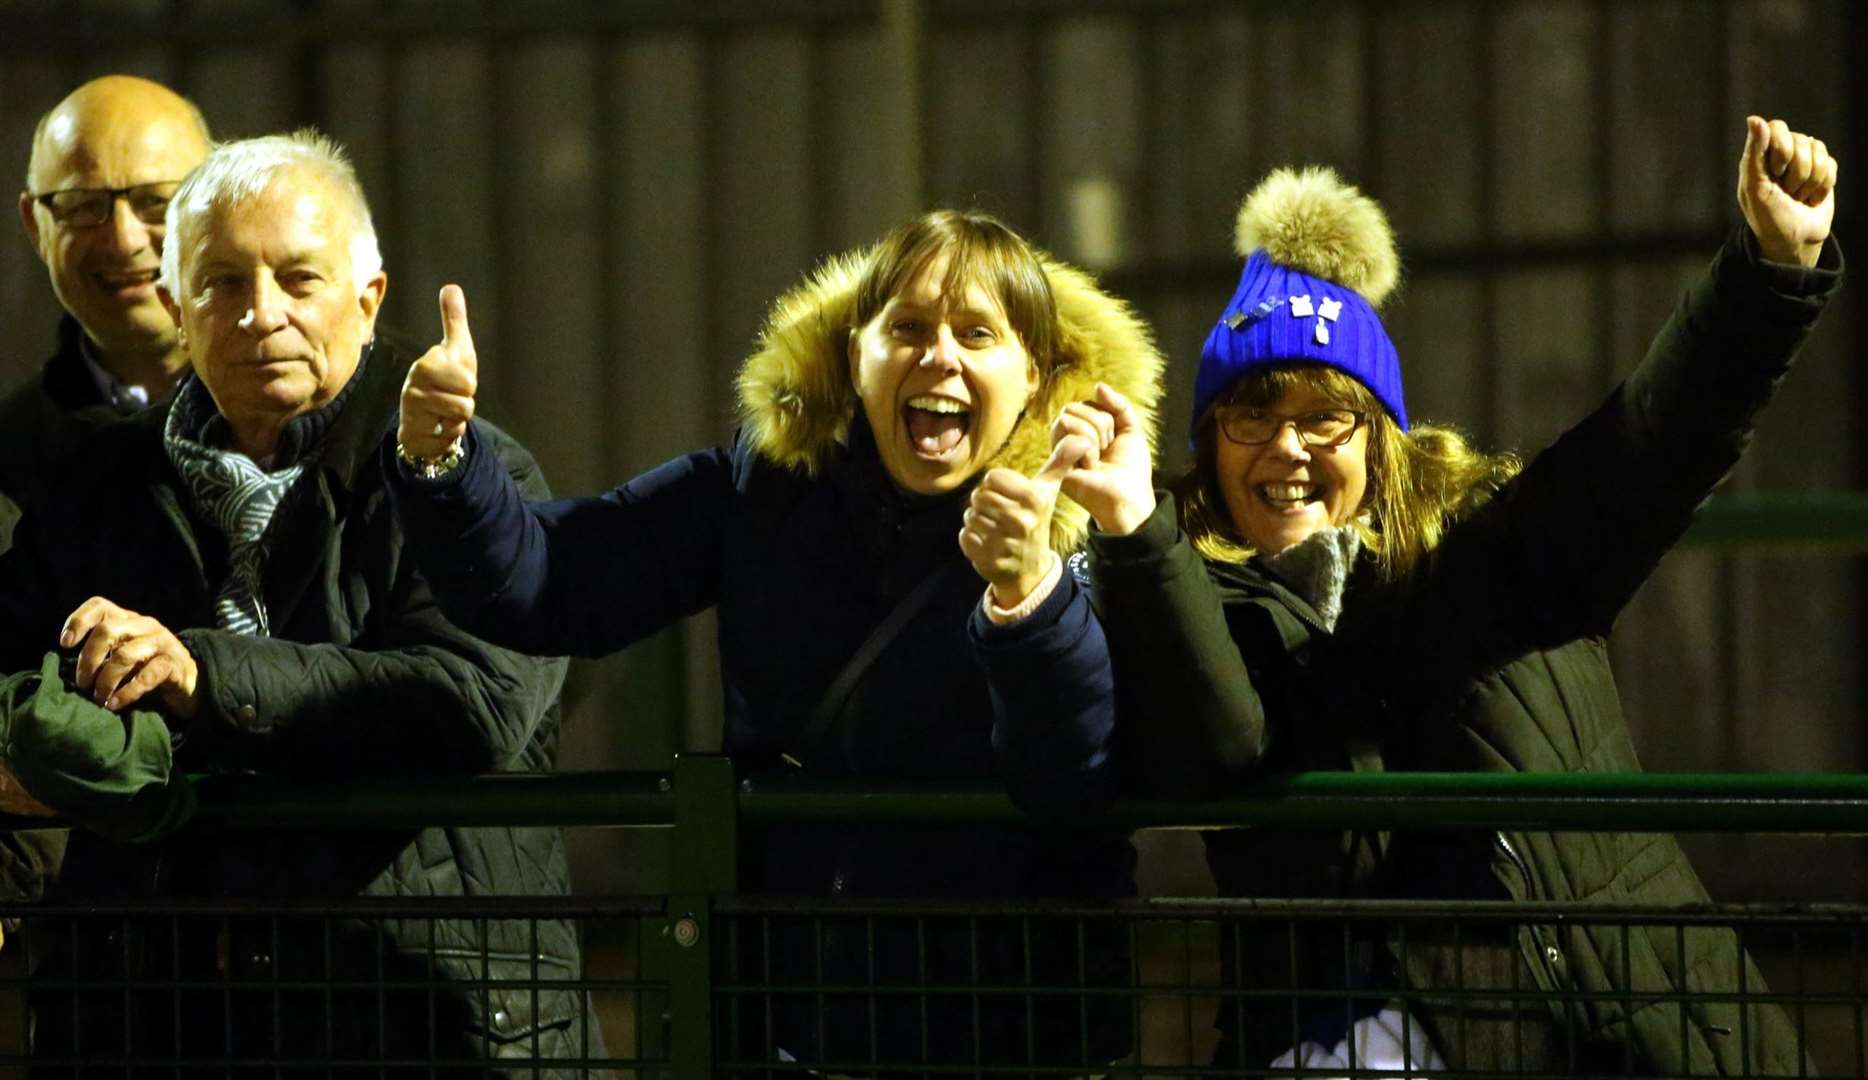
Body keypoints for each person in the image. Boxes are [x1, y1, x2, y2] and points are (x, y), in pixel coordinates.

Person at [1061, 116, 1840, 1074]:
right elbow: (1218, 762)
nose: (1288, 447)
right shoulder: (1176, 593)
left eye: (1327, 415)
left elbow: (1648, 446)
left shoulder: (1487, 556)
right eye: (1251, 413)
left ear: (1380, 436)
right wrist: (1138, 533)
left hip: (1630, 1029)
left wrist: (1769, 272)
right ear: (1210, 444)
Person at [385, 210, 1164, 1072]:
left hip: (1010, 1039)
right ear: (852, 356)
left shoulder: (1090, 524)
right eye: (905, 328)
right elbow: (547, 583)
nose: (939, 355)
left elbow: (1070, 780)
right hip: (793, 1028)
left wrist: (1030, 594)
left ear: (1035, 374)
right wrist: (441, 462)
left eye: (978, 334)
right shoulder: (760, 494)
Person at [0, 129, 596, 1075]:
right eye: (223, 284)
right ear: (174, 307)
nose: (260, 314)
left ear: (369, 302)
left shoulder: (463, 472)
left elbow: (476, 704)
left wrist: (202, 676)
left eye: (299, 280)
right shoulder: (98, 485)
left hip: (422, 1024)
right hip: (153, 1026)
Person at [4, 75, 212, 546]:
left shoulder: (345, 408)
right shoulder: (12, 461)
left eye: (156, 201)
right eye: (83, 205)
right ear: (36, 228)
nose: (123, 240)